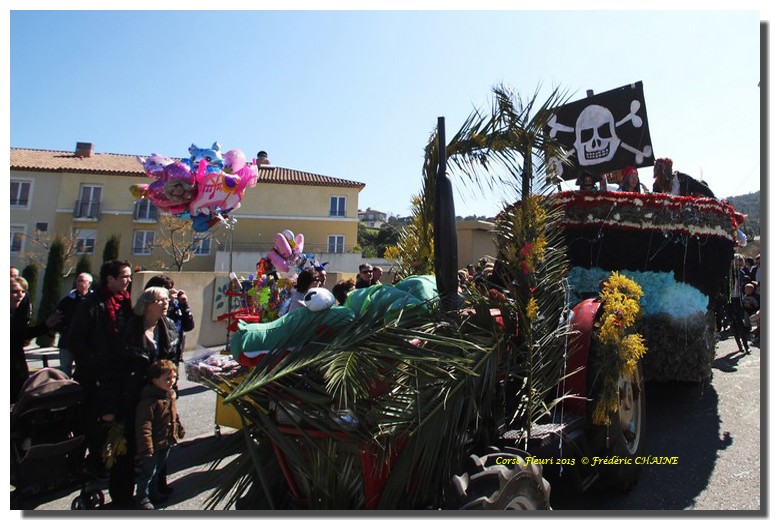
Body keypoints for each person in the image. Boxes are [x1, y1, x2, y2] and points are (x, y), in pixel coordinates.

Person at [101, 286, 179, 508]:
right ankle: (122, 496)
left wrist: (172, 388)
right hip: (131, 396)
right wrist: (109, 406)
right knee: (128, 448)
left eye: (166, 299)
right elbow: (114, 370)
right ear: (147, 304)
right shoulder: (129, 329)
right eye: (160, 300)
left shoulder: (168, 327)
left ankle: (154, 489)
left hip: (158, 397)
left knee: (159, 445)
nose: (165, 303)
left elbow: (172, 362)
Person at [66, 260, 134, 495]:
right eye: (124, 276)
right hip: (94, 376)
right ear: (110, 279)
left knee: (111, 423)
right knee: (92, 423)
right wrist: (95, 363)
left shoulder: (125, 303)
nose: (128, 281)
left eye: (129, 276)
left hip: (116, 375)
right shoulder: (92, 305)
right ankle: (85, 465)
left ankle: (104, 461)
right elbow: (75, 341)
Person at [134, 359, 186, 510]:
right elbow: (144, 425)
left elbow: (174, 415)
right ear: (155, 380)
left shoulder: (169, 396)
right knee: (148, 472)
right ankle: (142, 497)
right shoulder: (149, 402)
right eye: (167, 379)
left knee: (158, 470)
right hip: (154, 443)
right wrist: (146, 446)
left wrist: (179, 428)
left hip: (166, 440)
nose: (172, 381)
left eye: (174, 377)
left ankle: (153, 492)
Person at [10, 276, 62, 403]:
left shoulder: (18, 314)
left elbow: (21, 334)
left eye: (23, 291)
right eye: (15, 291)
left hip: (17, 365)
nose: (20, 295)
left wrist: (46, 326)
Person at [143, 275, 195, 366]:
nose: (172, 291)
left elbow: (188, 326)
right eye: (167, 289)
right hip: (155, 356)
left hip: (172, 355)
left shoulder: (176, 306)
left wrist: (184, 305)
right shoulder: (152, 306)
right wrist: (167, 302)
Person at [55, 272, 93, 377]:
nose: (79, 283)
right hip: (67, 341)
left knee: (84, 369)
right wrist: (63, 330)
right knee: (64, 369)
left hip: (86, 343)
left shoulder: (94, 300)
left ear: (89, 283)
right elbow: (57, 317)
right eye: (78, 281)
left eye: (82, 281)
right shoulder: (67, 300)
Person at [728, 254, 752, 354]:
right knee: (733, 324)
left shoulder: (741, 273)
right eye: (736, 264)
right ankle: (739, 345)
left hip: (738, 299)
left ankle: (746, 346)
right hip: (729, 301)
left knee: (740, 323)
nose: (738, 266)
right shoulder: (728, 273)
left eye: (740, 265)